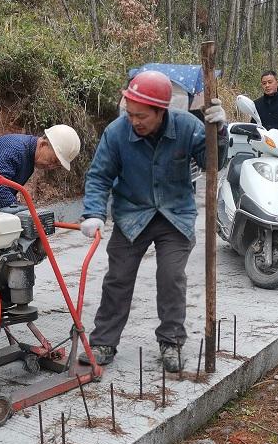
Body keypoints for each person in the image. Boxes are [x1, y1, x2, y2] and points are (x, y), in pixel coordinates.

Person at [78, 70, 228, 372]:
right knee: (118, 278)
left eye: (142, 116)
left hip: (175, 215)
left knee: (171, 278)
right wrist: (93, 212)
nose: (134, 121)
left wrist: (219, 132)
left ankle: (171, 342)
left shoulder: (187, 126)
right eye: (130, 113)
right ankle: (104, 341)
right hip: (132, 214)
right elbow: (99, 176)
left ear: (161, 111)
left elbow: (214, 163)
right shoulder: (116, 133)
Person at [0, 126, 81, 214]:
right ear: (43, 145)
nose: (51, 166)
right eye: (53, 160)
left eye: (57, 165)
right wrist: (21, 211)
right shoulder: (15, 150)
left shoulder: (28, 157)